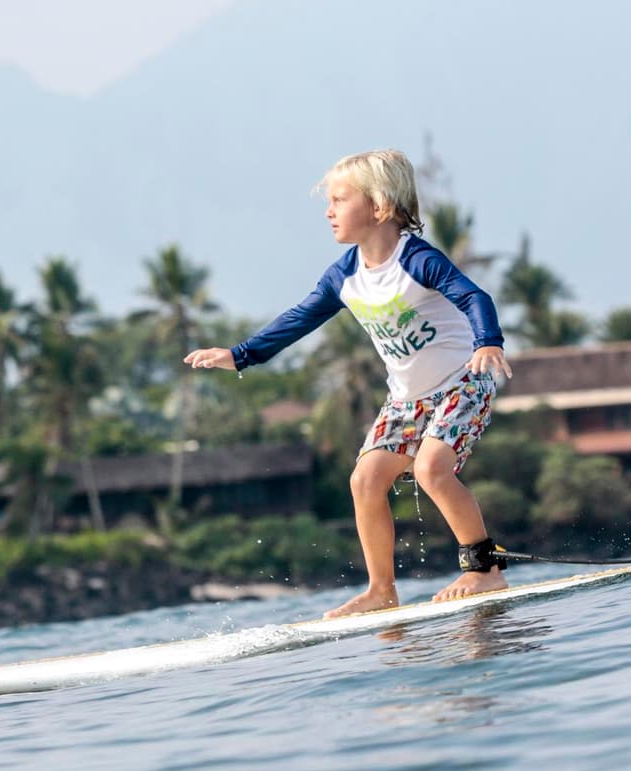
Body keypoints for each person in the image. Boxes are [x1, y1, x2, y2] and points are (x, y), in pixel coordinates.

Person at [184, 149, 514, 617]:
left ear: (378, 207)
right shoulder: (345, 275)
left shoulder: (416, 260)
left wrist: (487, 342)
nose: (328, 211)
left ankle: (484, 569)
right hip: (406, 400)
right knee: (365, 479)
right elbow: (299, 319)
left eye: (340, 200)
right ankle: (382, 590)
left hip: (464, 381)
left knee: (430, 469)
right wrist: (239, 355)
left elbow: (473, 295)